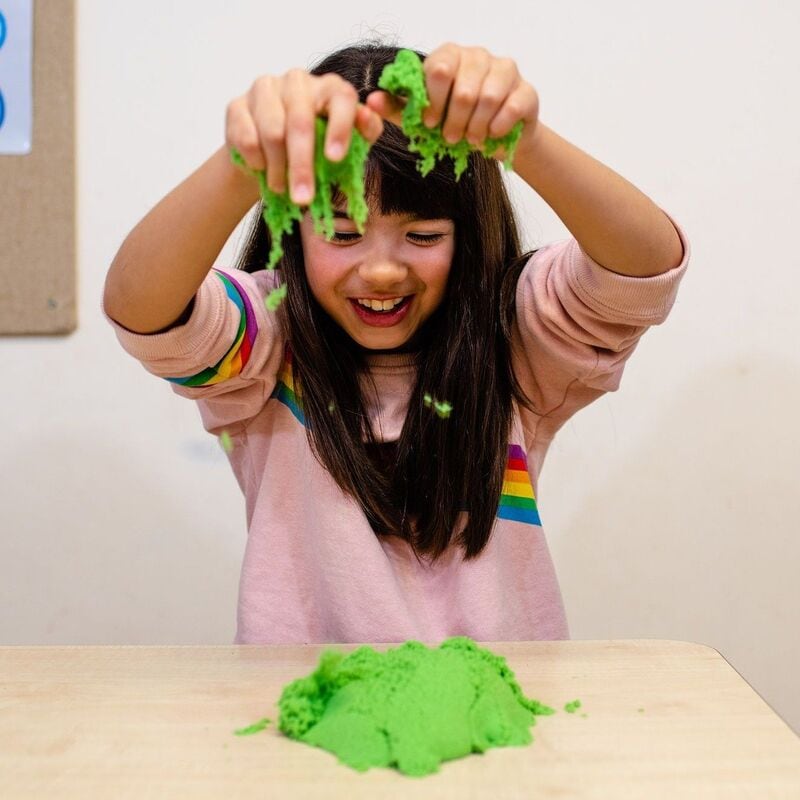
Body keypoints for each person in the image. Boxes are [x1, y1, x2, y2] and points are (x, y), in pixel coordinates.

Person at [103, 41, 690, 645]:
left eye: (423, 233)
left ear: (465, 235)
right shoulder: (268, 344)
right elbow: (143, 312)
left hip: (497, 710)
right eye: (342, 231)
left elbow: (644, 276)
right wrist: (242, 165)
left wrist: (526, 141)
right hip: (307, 711)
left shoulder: (515, 343)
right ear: (293, 229)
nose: (382, 270)